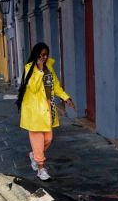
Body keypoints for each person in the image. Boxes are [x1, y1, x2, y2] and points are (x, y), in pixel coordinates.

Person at [18, 42, 75, 181]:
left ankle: (34, 155)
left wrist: (66, 98)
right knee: (38, 141)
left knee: (48, 138)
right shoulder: (29, 68)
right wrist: (39, 70)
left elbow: (55, 85)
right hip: (35, 110)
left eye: (46, 54)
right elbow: (34, 88)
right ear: (36, 54)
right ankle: (41, 168)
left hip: (48, 108)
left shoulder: (49, 67)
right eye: (42, 55)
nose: (44, 57)